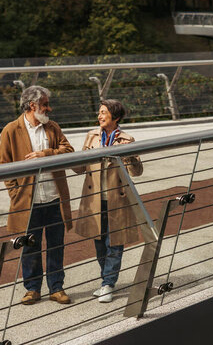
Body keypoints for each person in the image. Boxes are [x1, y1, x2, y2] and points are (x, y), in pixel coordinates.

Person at [0, 85, 74, 305]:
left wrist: (46, 154)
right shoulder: (11, 130)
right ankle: (32, 289)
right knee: (29, 247)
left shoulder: (52, 128)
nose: (49, 109)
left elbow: (68, 151)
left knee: (56, 245)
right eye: (45, 105)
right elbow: (4, 166)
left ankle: (56, 288)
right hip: (28, 202)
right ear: (33, 105)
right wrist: (15, 193)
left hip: (53, 199)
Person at [73, 99, 143, 303]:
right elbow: (79, 168)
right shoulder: (92, 136)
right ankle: (106, 280)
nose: (99, 116)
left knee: (115, 243)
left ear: (115, 116)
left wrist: (128, 157)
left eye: (103, 112)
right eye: (99, 112)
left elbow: (137, 172)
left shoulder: (126, 139)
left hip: (117, 200)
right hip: (94, 200)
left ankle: (108, 284)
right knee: (99, 243)